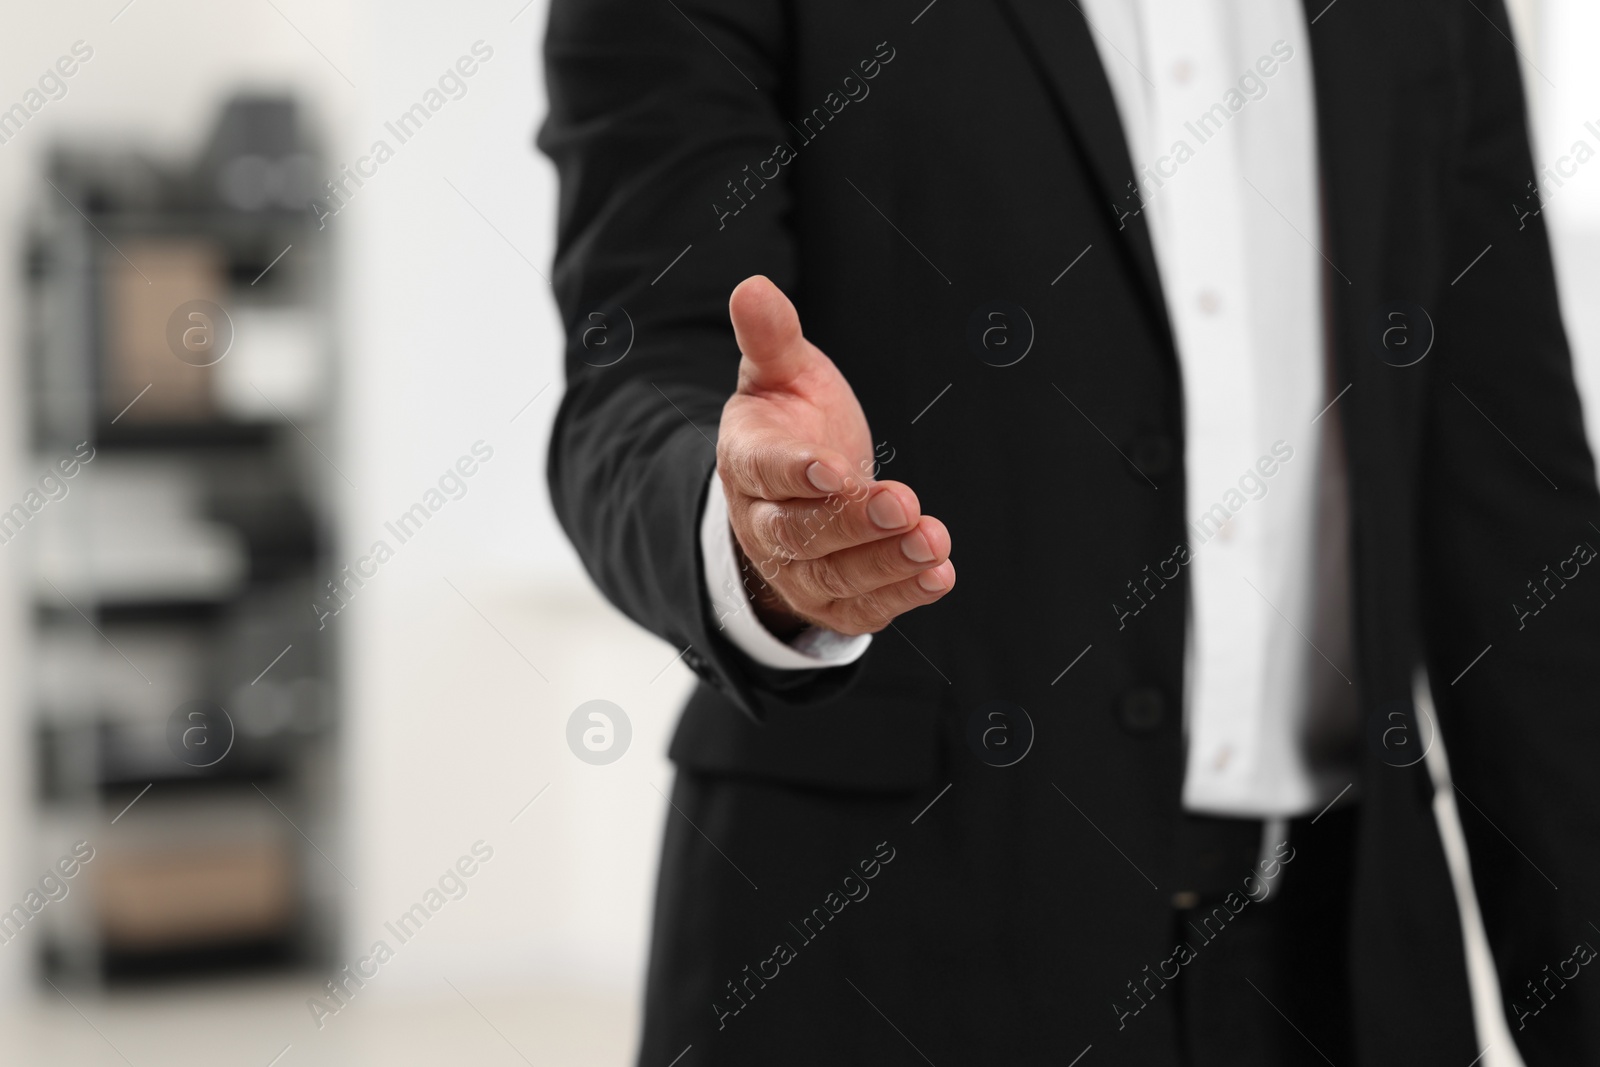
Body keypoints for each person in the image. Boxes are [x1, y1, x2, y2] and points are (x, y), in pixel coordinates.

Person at [538, 0, 1600, 1063]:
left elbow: (1522, 535)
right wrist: (759, 535)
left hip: (1343, 977)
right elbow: (638, 376)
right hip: (883, 957)